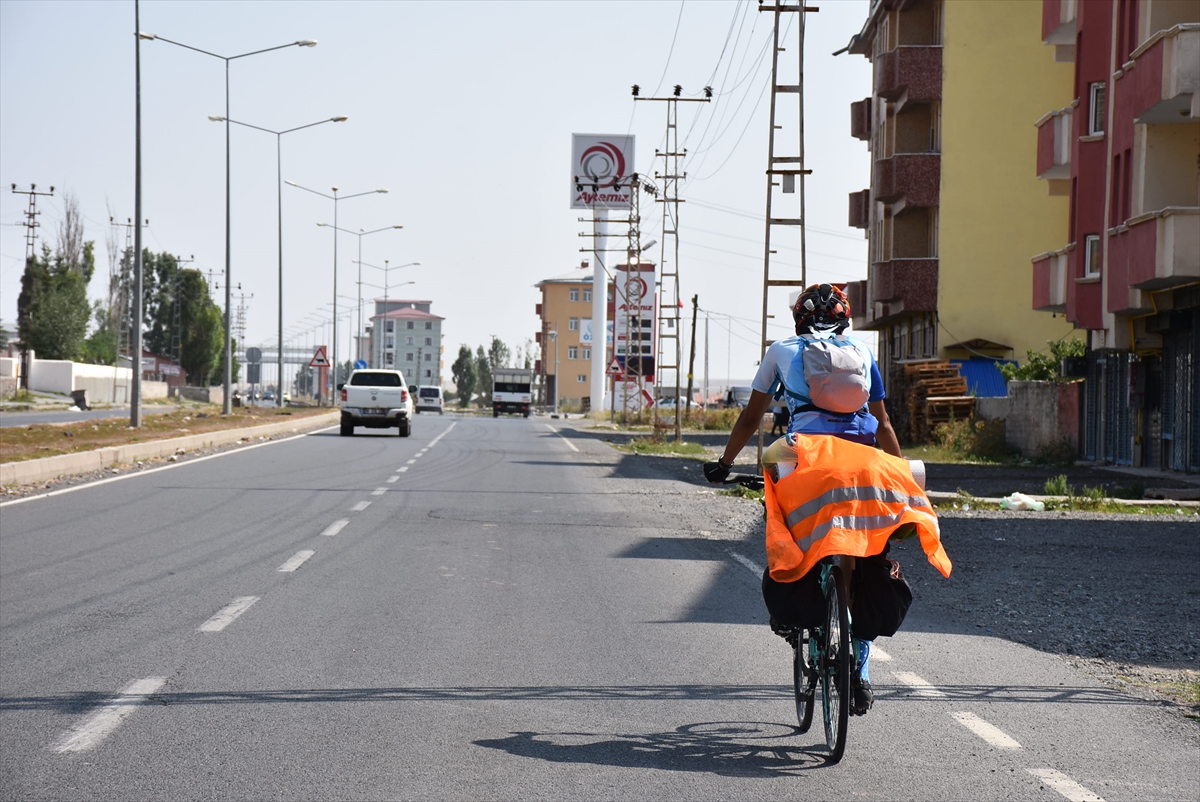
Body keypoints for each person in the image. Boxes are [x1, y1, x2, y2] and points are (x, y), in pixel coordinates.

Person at [703, 283, 903, 716]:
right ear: (845, 319)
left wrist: (724, 462)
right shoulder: (863, 353)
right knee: (864, 558)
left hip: (804, 454)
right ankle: (861, 672)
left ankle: (793, 596)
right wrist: (902, 475)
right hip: (863, 459)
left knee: (776, 496)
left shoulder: (781, 350)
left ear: (800, 320)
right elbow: (884, 424)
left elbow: (751, 416)